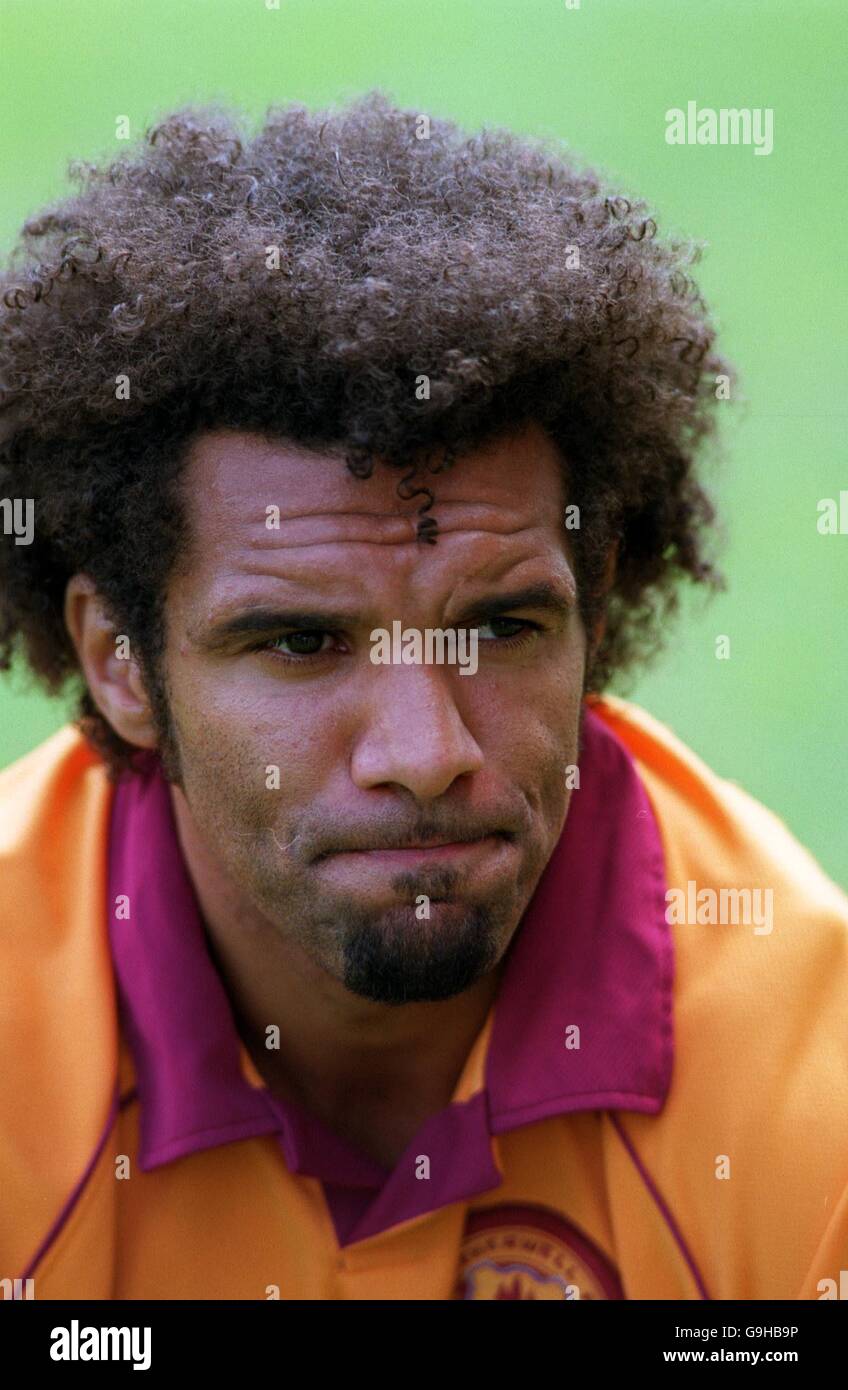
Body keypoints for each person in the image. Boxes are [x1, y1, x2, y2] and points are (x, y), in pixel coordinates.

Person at [1, 92, 845, 1302]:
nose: (426, 751)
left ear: (593, 614)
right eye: (300, 642)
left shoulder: (815, 1090)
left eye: (500, 627)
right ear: (120, 661)